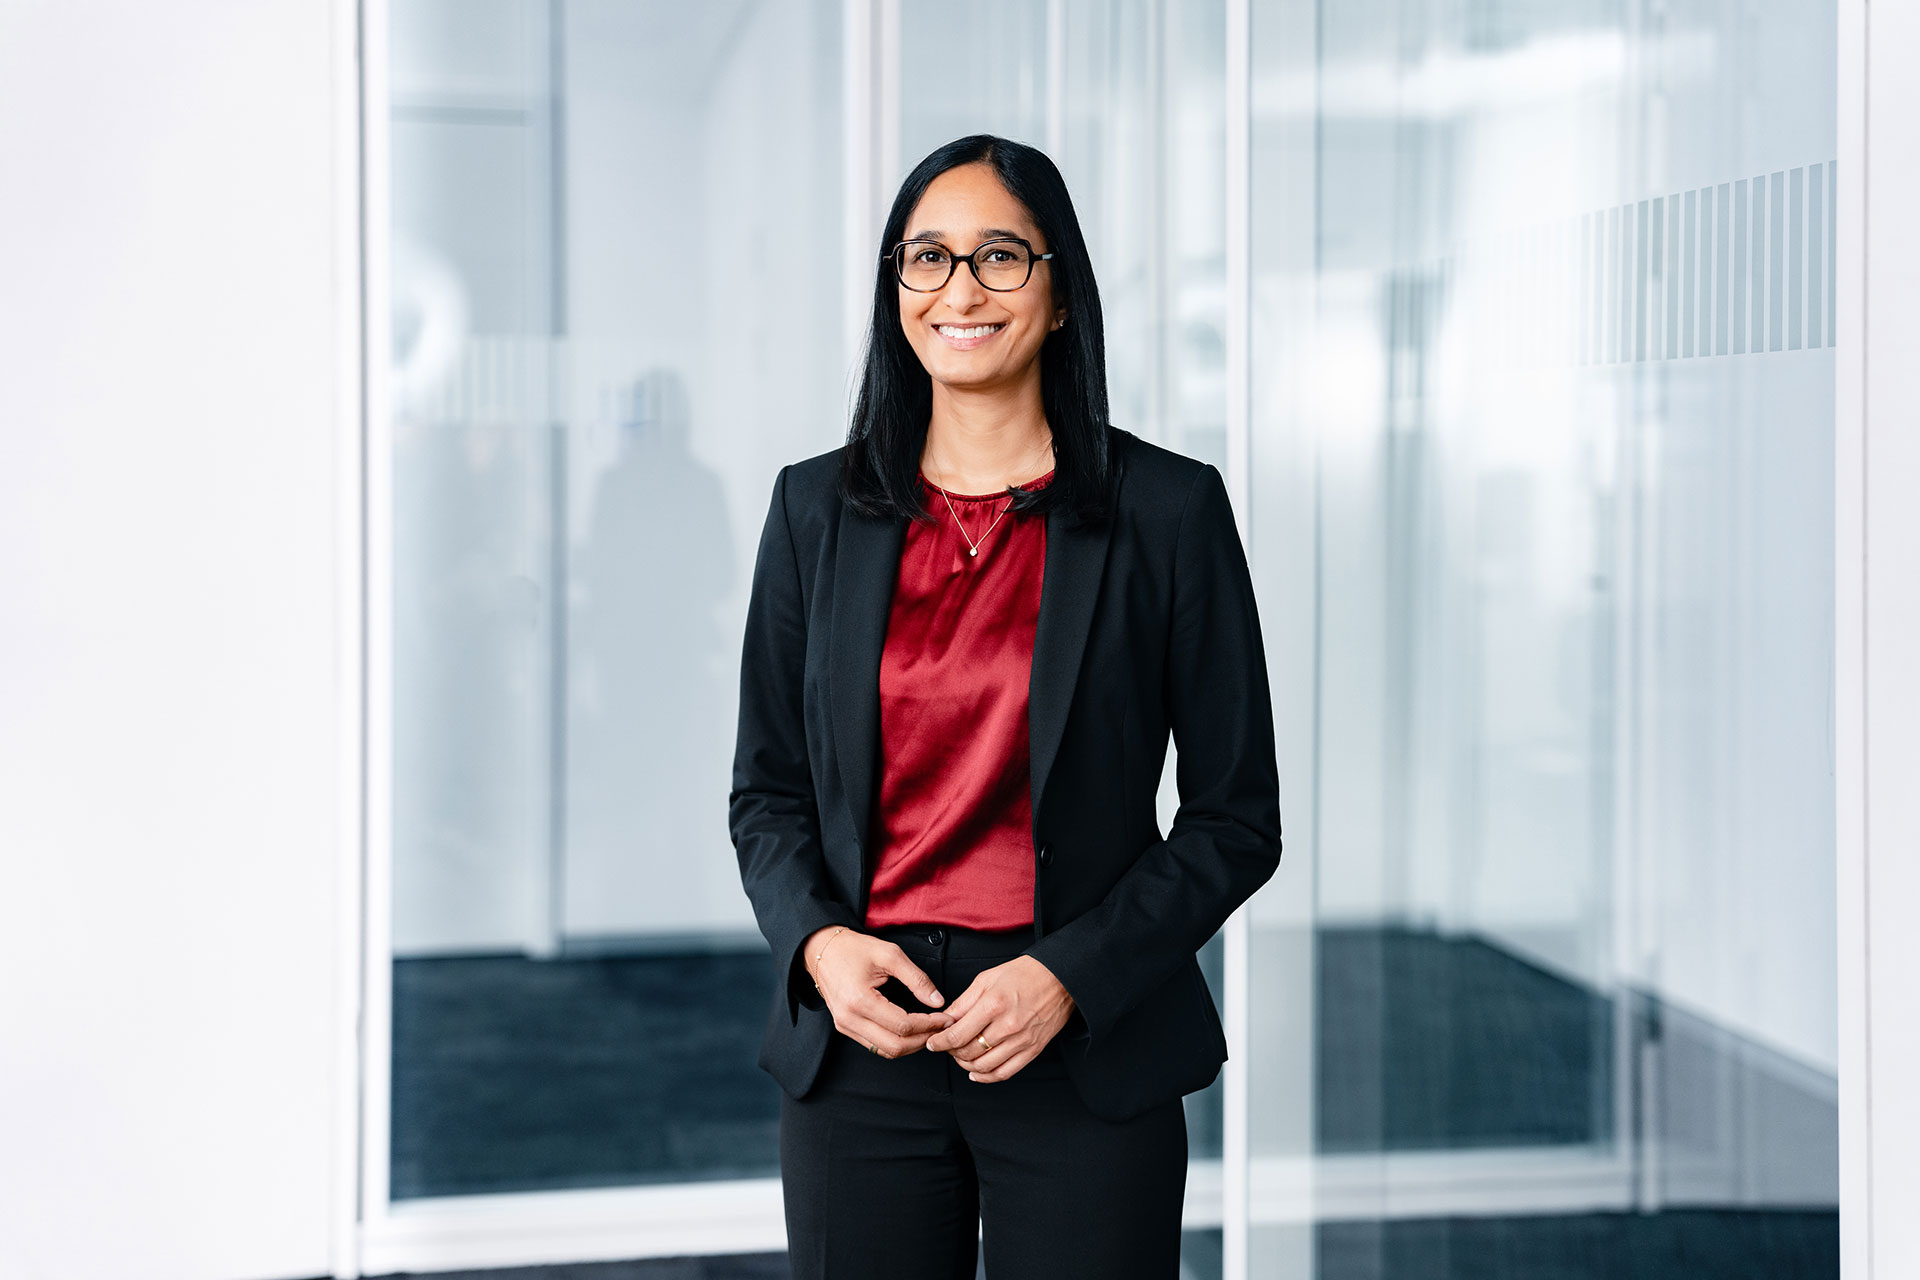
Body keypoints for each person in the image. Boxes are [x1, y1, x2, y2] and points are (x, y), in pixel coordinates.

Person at [727, 133, 1282, 1280]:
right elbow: (767, 792)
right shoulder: (813, 511)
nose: (959, 290)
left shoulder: (1170, 512)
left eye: (998, 257)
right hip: (864, 1036)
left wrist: (1070, 973)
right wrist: (821, 948)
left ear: (1062, 290)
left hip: (1078, 1036)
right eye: (926, 257)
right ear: (895, 292)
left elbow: (1237, 816)